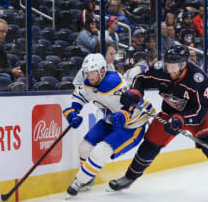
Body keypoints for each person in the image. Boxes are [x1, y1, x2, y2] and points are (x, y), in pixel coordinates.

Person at [108, 45, 208, 202]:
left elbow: (200, 111)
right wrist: (134, 93)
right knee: (149, 145)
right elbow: (140, 80)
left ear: (184, 64)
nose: (171, 70)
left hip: (199, 117)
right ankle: (129, 178)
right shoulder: (159, 69)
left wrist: (182, 119)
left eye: (174, 66)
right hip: (169, 114)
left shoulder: (199, 79)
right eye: (168, 65)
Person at [63, 53, 154, 198]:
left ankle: (79, 181)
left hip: (132, 125)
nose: (90, 76)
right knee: (84, 147)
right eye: (87, 73)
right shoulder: (90, 83)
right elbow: (80, 96)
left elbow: (132, 101)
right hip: (111, 120)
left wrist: (124, 114)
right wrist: (73, 111)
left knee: (100, 151)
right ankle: (87, 180)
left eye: (93, 73)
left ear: (102, 71)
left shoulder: (114, 83)